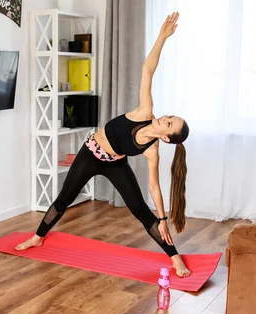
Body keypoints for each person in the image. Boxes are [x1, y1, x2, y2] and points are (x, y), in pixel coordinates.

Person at [17, 12, 192, 278]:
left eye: (169, 124)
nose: (166, 118)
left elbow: (154, 186)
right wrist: (162, 37)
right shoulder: (146, 111)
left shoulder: (152, 150)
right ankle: (38, 237)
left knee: (141, 211)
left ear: (166, 138)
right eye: (170, 117)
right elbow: (148, 70)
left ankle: (175, 258)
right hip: (90, 153)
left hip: (115, 164)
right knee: (64, 198)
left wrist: (164, 218)